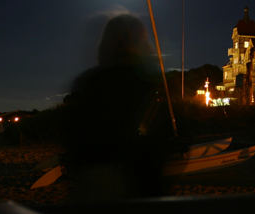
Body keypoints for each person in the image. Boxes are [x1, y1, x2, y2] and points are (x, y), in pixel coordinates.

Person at [60, 14, 172, 201]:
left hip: (92, 193)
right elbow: (158, 143)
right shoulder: (146, 84)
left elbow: (73, 140)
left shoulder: (87, 83)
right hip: (139, 191)